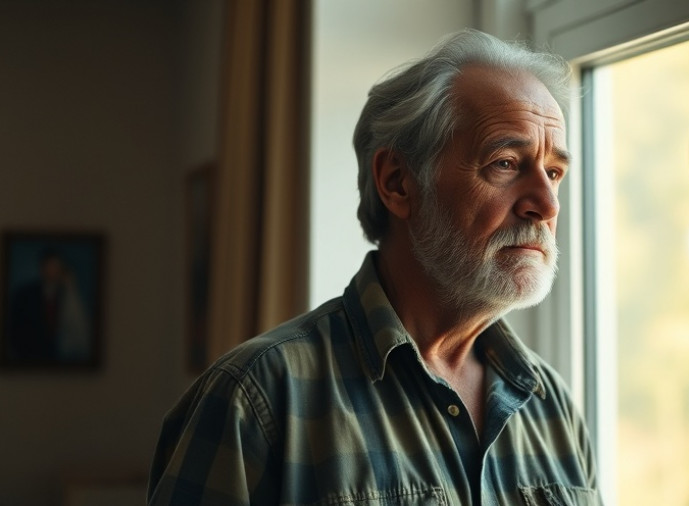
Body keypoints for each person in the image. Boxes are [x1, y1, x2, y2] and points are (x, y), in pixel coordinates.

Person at [148, 28, 601, 505]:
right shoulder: (255, 399)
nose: (546, 204)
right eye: (506, 163)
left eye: (553, 172)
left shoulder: (553, 407)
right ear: (398, 183)